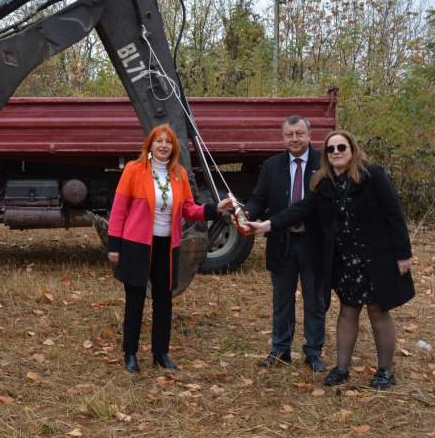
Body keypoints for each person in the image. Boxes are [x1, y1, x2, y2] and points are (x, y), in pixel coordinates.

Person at [246, 130, 414, 389]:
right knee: (347, 310)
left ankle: (385, 371)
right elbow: (301, 208)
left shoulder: (373, 175)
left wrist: (403, 255)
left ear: (352, 149)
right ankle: (342, 369)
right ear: (325, 154)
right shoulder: (323, 182)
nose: (336, 152)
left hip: (376, 259)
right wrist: (267, 225)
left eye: (341, 147)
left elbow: (395, 214)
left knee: (378, 310)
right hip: (346, 260)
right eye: (330, 149)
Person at [107, 125, 233, 373]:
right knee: (135, 302)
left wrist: (215, 209)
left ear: (174, 147)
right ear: (150, 145)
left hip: (167, 246)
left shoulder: (180, 174)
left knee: (164, 303)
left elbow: (189, 210)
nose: (164, 145)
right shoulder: (134, 170)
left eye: (169, 142)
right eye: (159, 141)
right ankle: (130, 354)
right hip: (137, 245)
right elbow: (119, 210)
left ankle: (160, 353)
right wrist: (115, 246)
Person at [243, 116, 327, 372]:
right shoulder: (272, 165)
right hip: (282, 242)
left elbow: (316, 204)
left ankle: (313, 353)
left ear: (310, 135)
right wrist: (248, 213)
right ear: (283, 138)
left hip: (314, 243)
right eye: (289, 134)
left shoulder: (324, 163)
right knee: (281, 300)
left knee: (315, 301)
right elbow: (259, 198)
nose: (295, 139)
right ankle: (280, 350)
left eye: (300, 133)